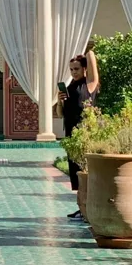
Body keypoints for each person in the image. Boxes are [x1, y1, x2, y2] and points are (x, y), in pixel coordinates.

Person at [58, 45, 100, 218]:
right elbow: (61, 114)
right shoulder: (69, 88)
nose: (73, 72)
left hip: (85, 134)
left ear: (84, 69)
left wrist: (87, 51)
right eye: (71, 70)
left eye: (76, 69)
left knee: (85, 172)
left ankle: (88, 208)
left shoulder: (89, 85)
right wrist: (60, 102)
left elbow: (91, 60)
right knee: (76, 173)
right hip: (71, 134)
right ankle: (81, 208)